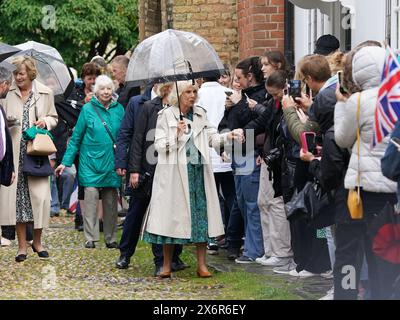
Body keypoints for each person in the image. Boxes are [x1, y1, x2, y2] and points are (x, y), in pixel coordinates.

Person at [143, 80, 243, 278]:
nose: (192, 95)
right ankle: (166, 266)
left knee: (201, 217)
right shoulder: (165, 115)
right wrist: (177, 134)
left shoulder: (200, 114)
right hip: (173, 175)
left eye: (194, 91)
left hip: (197, 172)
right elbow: (160, 146)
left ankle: (202, 265)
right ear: (178, 94)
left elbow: (212, 138)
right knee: (170, 219)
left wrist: (229, 136)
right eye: (188, 91)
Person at [334, 45, 397, 299]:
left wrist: (342, 105)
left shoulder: (358, 102)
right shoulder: (395, 99)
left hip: (358, 192)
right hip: (391, 192)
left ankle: (346, 294)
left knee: (349, 251)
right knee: (384, 253)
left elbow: (342, 139)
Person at [117, 83, 187, 276]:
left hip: (169, 168)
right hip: (147, 167)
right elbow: (138, 138)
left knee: (166, 215)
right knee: (136, 212)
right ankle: (125, 253)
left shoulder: (179, 110)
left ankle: (166, 259)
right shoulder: (148, 107)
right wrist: (134, 170)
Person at [55, 75, 124, 249]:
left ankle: (110, 237)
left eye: (109, 88)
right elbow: (76, 137)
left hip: (111, 162)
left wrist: (124, 161)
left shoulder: (119, 109)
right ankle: (90, 237)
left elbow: (124, 137)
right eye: (102, 88)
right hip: (90, 162)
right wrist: (65, 162)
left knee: (110, 201)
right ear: (96, 91)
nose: (106, 92)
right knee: (91, 197)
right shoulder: (87, 109)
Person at [0, 56, 58, 262]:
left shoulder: (44, 93)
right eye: (15, 74)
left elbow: (54, 117)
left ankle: (38, 241)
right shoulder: (8, 94)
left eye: (21, 73)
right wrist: (6, 121)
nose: (17, 77)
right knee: (17, 201)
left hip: (37, 153)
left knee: (41, 199)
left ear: (30, 73)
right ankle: (22, 247)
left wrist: (45, 121)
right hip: (14, 153)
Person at [219, 57, 267, 264]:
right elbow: (227, 124)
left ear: (250, 76)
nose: (236, 82)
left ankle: (254, 250)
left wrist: (237, 107)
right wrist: (223, 144)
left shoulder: (260, 96)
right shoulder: (239, 97)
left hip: (251, 153)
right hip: (238, 153)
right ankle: (250, 246)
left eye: (239, 77)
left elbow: (253, 124)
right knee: (241, 202)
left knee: (252, 204)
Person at [198, 72, 238, 255]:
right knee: (231, 197)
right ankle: (232, 238)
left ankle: (211, 239)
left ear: (202, 79)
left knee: (209, 199)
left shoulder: (196, 95)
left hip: (206, 152)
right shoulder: (230, 93)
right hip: (229, 149)